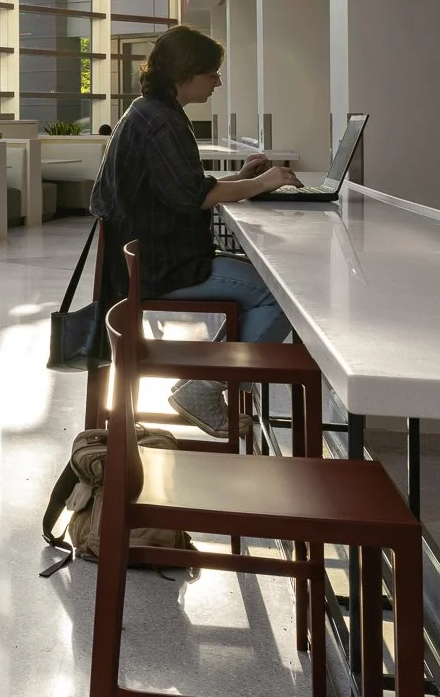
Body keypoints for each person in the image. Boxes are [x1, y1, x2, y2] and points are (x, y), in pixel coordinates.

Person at [89, 26, 298, 438]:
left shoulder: (149, 112)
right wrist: (262, 183)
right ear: (185, 74)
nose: (217, 81)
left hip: (146, 261)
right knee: (279, 295)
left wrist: (240, 179)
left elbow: (177, 188)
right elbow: (189, 196)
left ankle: (202, 384)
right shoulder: (162, 122)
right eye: (211, 73)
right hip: (161, 268)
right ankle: (203, 387)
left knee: (266, 285)